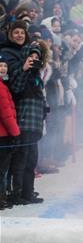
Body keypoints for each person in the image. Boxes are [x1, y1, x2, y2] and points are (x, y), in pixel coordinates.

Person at [7, 41, 49, 206]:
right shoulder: (19, 71)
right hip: (24, 123)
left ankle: (28, 192)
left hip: (35, 124)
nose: (33, 59)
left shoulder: (37, 75)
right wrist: (24, 68)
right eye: (31, 56)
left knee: (32, 160)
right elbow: (16, 88)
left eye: (36, 57)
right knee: (20, 160)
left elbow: (41, 98)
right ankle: (17, 194)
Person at [0, 53, 20, 209]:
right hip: (3, 135)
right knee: (2, 170)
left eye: (5, 66)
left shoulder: (3, 85)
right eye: (0, 65)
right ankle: (1, 199)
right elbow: (6, 113)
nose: (3, 68)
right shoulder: (1, 87)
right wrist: (15, 133)